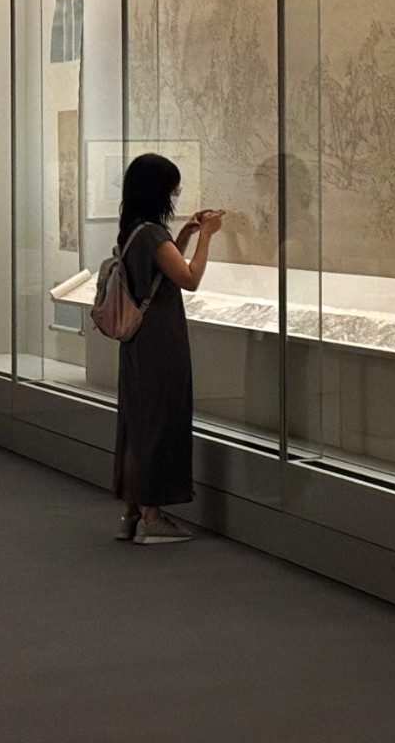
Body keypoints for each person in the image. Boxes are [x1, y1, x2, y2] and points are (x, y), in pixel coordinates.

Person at [112, 152, 224, 544]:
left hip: (137, 341)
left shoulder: (133, 230)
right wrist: (207, 236)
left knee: (137, 422)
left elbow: (161, 269)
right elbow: (188, 278)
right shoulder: (152, 235)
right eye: (173, 188)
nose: (175, 195)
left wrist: (187, 236)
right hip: (160, 339)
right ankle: (152, 517)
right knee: (161, 422)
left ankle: (130, 513)